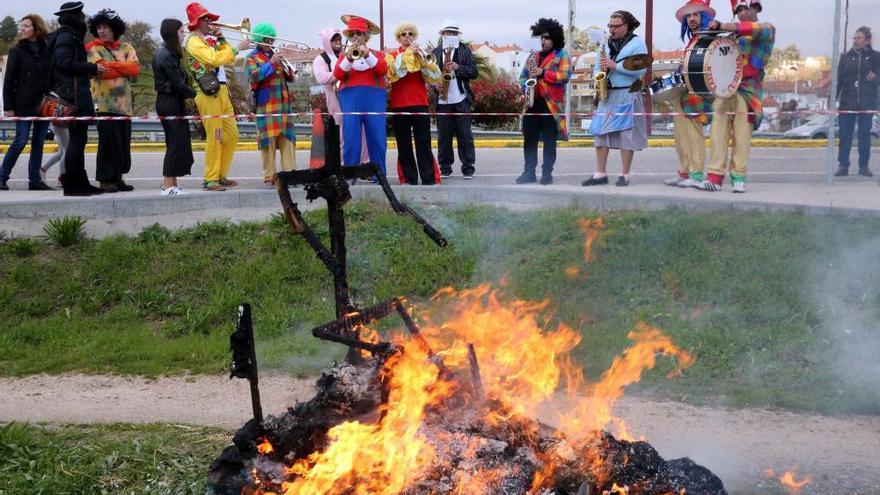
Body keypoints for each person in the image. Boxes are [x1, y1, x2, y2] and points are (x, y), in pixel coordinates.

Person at [699, 0, 775, 193]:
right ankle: (714, 177)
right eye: (738, 10)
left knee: (742, 137)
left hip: (748, 93)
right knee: (718, 133)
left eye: (745, 8)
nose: (741, 12)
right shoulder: (731, 36)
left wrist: (721, 25)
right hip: (725, 91)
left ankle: (739, 177)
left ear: (756, 7)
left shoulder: (767, 29)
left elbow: (752, 28)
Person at [582, 10, 649, 187]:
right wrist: (599, 76)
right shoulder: (604, 45)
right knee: (600, 134)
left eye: (616, 26)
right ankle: (600, 173)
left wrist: (615, 66)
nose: (612, 29)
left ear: (626, 26)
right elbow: (597, 66)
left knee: (627, 135)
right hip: (607, 95)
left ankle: (624, 175)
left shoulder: (637, 44)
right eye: (610, 26)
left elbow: (642, 70)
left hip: (627, 93)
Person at [48, 1, 107, 197]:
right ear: (73, 17)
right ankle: (73, 185)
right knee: (76, 139)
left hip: (74, 92)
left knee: (79, 140)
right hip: (71, 95)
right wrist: (92, 68)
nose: (83, 18)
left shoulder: (69, 35)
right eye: (80, 15)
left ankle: (80, 182)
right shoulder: (66, 36)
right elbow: (64, 63)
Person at [185, 2, 241, 191]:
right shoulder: (193, 41)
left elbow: (230, 59)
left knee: (232, 135)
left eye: (210, 19)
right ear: (196, 22)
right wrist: (236, 48)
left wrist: (223, 40)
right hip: (208, 93)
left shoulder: (210, 40)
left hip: (222, 91)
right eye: (206, 19)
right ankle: (211, 179)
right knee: (216, 136)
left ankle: (221, 175)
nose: (210, 22)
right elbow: (214, 59)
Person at [86, 8, 139, 193]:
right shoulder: (93, 47)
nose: (101, 31)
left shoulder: (127, 48)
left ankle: (117, 177)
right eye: (98, 27)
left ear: (114, 28)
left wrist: (113, 67)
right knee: (108, 144)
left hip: (125, 107)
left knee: (123, 144)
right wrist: (123, 67)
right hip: (104, 104)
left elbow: (135, 70)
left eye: (105, 27)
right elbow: (101, 70)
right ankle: (105, 179)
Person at [664, 0, 715, 188]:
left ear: (704, 17)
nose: (692, 19)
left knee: (694, 135)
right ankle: (684, 172)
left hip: (698, 94)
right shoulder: (693, 40)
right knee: (680, 136)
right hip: (683, 93)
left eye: (696, 15)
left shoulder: (708, 37)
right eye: (689, 16)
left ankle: (696, 174)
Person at [0, 14, 54, 191]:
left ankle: (35, 180)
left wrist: (52, 96)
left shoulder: (47, 50)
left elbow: (51, 77)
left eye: (26, 26)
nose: (22, 29)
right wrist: (8, 106)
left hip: (44, 104)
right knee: (20, 140)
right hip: (22, 104)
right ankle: (1, 177)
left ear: (36, 29)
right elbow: (9, 80)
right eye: (21, 26)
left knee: (39, 143)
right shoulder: (17, 51)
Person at [515, 18, 572, 185]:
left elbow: (565, 76)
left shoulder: (562, 55)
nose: (543, 41)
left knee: (549, 141)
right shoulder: (533, 56)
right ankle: (529, 172)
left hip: (551, 105)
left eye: (547, 37)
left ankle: (547, 173)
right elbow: (522, 77)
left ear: (555, 38)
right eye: (541, 37)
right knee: (529, 139)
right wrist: (525, 85)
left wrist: (542, 73)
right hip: (532, 103)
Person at [386, 21, 442, 185]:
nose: (407, 37)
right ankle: (409, 179)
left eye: (410, 34)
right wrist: (409, 54)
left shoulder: (420, 55)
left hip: (419, 103)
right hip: (399, 104)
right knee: (404, 145)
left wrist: (424, 60)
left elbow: (434, 78)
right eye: (404, 34)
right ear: (399, 37)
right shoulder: (392, 55)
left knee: (423, 143)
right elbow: (395, 74)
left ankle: (429, 178)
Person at [333, 14, 388, 176]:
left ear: (366, 36)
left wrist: (366, 54)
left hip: (374, 99)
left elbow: (383, 70)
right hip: (350, 99)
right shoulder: (345, 55)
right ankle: (350, 176)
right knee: (351, 139)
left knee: (377, 139)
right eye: (352, 34)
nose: (355, 37)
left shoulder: (377, 54)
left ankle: (379, 175)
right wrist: (349, 58)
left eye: (359, 33)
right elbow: (337, 74)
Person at [245, 23, 297, 187]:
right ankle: (270, 177)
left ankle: (290, 174)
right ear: (260, 39)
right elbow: (254, 76)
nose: (270, 42)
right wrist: (272, 63)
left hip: (283, 106)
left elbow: (288, 78)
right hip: (266, 105)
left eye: (272, 39)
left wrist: (289, 70)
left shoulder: (277, 55)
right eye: (267, 39)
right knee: (268, 142)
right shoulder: (251, 58)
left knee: (288, 141)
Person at [313, 28, 369, 166]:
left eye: (339, 40)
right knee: (344, 135)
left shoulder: (346, 53)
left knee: (362, 132)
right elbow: (321, 78)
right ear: (327, 42)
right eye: (334, 40)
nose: (338, 43)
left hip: (353, 97)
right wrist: (339, 72)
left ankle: (365, 163)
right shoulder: (321, 59)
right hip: (336, 100)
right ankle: (344, 165)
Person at [153, 18, 196, 195]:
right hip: (169, 102)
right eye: (181, 31)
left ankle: (173, 184)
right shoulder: (166, 54)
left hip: (173, 101)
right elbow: (176, 83)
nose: (183, 34)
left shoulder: (170, 52)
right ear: (172, 33)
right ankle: (168, 186)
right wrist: (195, 94)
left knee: (177, 142)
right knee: (175, 144)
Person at [432, 20, 478, 180]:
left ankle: (468, 168)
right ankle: (445, 168)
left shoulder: (465, 51)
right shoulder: (436, 52)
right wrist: (434, 84)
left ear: (457, 35)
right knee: (443, 136)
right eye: (447, 32)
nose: (450, 35)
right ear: (442, 34)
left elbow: (474, 72)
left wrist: (459, 68)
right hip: (442, 100)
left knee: (465, 135)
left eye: (453, 33)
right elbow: (429, 74)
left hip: (461, 98)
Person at [835, 26, 879, 178]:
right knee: (845, 135)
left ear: (867, 40)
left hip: (866, 103)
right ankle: (843, 165)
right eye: (854, 38)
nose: (855, 40)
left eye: (859, 38)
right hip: (847, 103)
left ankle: (864, 166)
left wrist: (876, 77)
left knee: (864, 135)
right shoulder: (846, 57)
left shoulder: (876, 57)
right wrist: (832, 99)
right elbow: (838, 80)